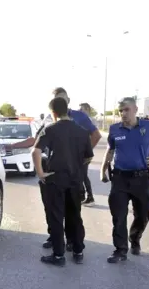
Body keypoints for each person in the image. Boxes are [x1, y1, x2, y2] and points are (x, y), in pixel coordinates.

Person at [8, 87, 102, 250]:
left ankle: (72, 241)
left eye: (61, 97)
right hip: (50, 168)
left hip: (72, 170)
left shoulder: (80, 117)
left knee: (72, 210)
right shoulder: (48, 120)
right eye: (56, 97)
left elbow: (96, 136)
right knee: (51, 207)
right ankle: (54, 237)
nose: (59, 99)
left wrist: (80, 160)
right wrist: (13, 145)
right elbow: (35, 141)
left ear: (68, 100)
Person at [100, 97, 149, 263]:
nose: (123, 113)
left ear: (135, 109)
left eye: (126, 109)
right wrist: (103, 170)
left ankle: (135, 238)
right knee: (118, 216)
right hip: (119, 178)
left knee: (143, 214)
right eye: (120, 111)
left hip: (141, 178)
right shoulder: (114, 129)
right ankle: (120, 250)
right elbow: (110, 151)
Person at [32, 97, 93, 266]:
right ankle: (78, 251)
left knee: (57, 217)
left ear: (53, 112)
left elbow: (35, 152)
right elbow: (88, 157)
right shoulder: (81, 131)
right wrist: (77, 167)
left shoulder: (50, 129)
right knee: (75, 216)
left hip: (55, 180)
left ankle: (58, 256)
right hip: (75, 180)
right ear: (67, 109)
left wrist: (41, 173)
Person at [78, 103, 95, 205]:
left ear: (87, 110)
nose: (80, 111)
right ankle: (84, 196)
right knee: (82, 175)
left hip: (85, 153)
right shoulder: (83, 120)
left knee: (83, 175)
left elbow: (94, 136)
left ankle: (89, 197)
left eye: (82, 109)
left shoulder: (86, 121)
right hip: (82, 152)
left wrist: (88, 152)